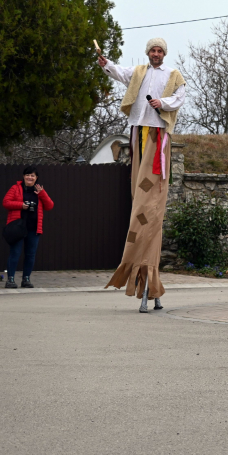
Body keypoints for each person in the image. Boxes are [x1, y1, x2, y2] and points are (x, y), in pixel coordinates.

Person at [97, 38, 187, 313]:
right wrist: (105, 64)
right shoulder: (139, 72)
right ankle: (146, 279)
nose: (156, 54)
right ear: (148, 53)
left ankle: (146, 276)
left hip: (158, 135)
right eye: (152, 50)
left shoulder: (173, 75)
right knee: (140, 202)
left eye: (160, 51)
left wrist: (163, 102)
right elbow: (120, 72)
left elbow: (179, 97)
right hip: (138, 132)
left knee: (150, 204)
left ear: (164, 54)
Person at [2, 167, 54, 288]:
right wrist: (21, 205)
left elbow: (50, 206)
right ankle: (10, 279)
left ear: (36, 178)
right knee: (15, 253)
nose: (30, 177)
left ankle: (26, 279)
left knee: (30, 254)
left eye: (32, 176)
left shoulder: (39, 190)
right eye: (28, 175)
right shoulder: (16, 188)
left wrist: (42, 193)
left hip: (34, 228)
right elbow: (6, 202)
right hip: (17, 228)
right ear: (24, 176)